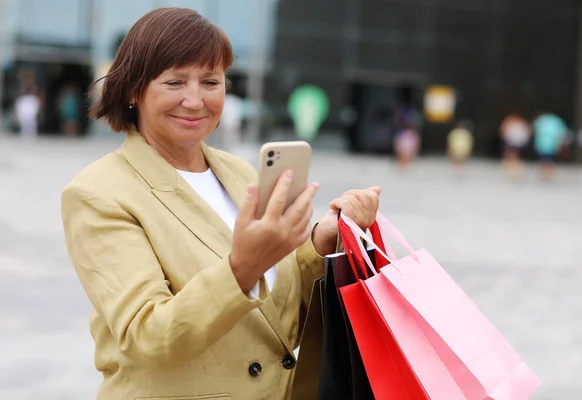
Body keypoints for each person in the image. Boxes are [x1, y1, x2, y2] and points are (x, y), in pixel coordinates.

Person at [61, 8, 381, 400]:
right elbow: (148, 335)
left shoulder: (239, 173)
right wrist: (242, 268)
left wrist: (320, 242)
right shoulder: (99, 193)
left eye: (211, 81)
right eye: (175, 82)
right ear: (132, 90)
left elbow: (281, 321)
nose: (195, 101)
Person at [532, 112, 568, 180]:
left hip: (544, 144)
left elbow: (535, 130)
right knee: (549, 160)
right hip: (549, 145)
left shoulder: (541, 120)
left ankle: (546, 174)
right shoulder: (556, 121)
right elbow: (562, 133)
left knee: (545, 160)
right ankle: (548, 174)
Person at [500, 113, 531, 179]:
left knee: (512, 156)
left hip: (512, 142)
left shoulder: (510, 121)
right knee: (515, 156)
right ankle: (514, 170)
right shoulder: (522, 123)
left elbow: (503, 130)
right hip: (518, 142)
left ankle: (513, 170)